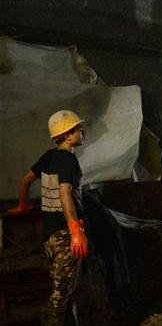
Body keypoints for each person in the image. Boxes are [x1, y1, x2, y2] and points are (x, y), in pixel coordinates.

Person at [6, 109, 90, 326]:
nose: (82, 132)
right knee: (59, 297)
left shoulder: (48, 157)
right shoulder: (69, 160)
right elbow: (64, 194)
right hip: (65, 237)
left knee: (61, 290)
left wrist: (22, 205)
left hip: (50, 237)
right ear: (68, 135)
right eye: (78, 129)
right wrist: (75, 231)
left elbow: (25, 181)